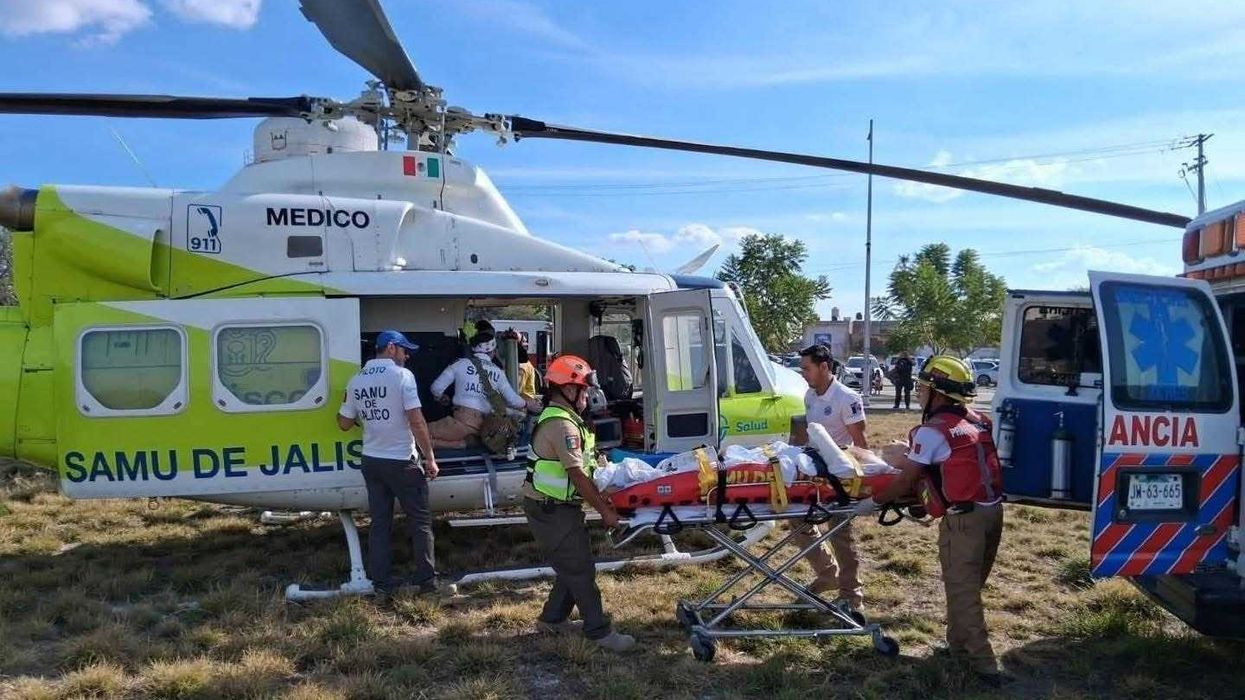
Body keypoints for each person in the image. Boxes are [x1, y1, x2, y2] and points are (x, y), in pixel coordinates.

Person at [860, 355, 1006, 682]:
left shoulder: (932, 433)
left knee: (963, 592)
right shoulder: (979, 420)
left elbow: (905, 480)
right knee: (967, 587)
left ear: (938, 392)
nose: (918, 392)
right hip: (992, 511)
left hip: (964, 520)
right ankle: (957, 649)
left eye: (922, 386)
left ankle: (984, 667)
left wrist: (872, 502)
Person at [523, 355, 635, 652]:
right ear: (566, 390)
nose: (586, 397)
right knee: (581, 569)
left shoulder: (568, 420)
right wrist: (606, 512)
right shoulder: (562, 426)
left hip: (558, 506)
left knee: (572, 564)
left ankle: (552, 620)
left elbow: (585, 468)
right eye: (582, 391)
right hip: (551, 509)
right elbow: (578, 476)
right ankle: (598, 632)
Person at [336, 330, 444, 595]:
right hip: (401, 462)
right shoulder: (402, 376)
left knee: (380, 523)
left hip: (372, 460)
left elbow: (343, 423)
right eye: (404, 350)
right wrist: (429, 457)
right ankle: (427, 582)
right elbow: (416, 420)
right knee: (420, 522)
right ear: (392, 348)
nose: (407, 355)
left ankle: (382, 584)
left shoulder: (356, 380)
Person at [794, 344, 866, 611]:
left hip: (840, 475)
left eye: (806, 368)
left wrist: (862, 484)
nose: (802, 373)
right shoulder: (810, 396)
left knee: (840, 534)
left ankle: (851, 595)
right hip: (813, 472)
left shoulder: (846, 398)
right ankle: (827, 572)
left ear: (824, 367)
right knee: (797, 521)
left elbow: (860, 443)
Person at [428, 331, 538, 449]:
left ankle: (447, 444)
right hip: (484, 428)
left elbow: (436, 388)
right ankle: (462, 444)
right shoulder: (498, 372)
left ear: (472, 350)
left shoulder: (460, 364)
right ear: (493, 351)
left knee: (416, 432)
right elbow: (514, 401)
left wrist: (440, 397)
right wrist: (528, 404)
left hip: (461, 421)